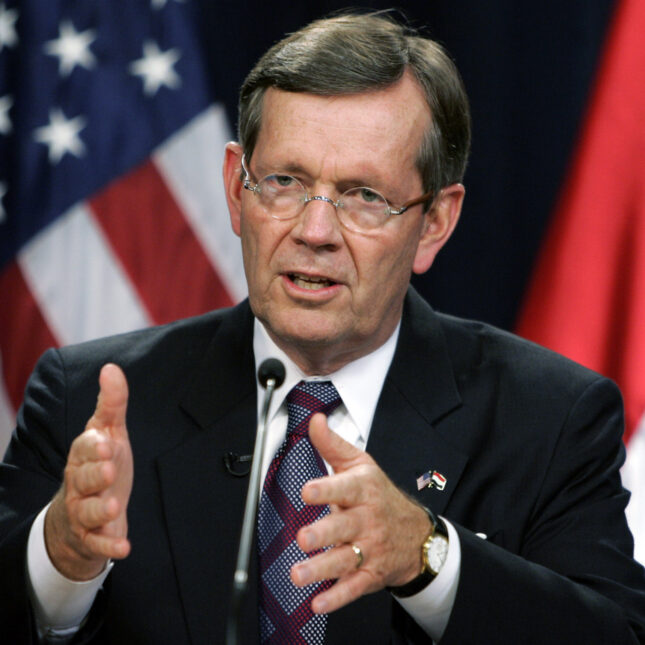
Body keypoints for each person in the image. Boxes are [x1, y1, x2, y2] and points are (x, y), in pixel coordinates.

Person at [1, 10, 644, 645]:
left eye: (364, 195)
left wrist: (429, 558)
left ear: (435, 223)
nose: (313, 232)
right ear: (235, 188)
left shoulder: (550, 419)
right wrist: (59, 561)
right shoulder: (84, 401)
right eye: (283, 182)